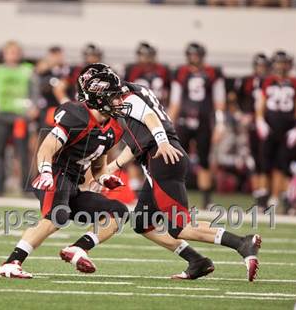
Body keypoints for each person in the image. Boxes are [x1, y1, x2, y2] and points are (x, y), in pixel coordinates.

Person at [77, 64, 262, 281]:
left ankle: (242, 243)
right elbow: (139, 142)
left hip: (163, 160)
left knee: (180, 226)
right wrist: (112, 167)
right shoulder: (133, 93)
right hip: (159, 159)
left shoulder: (128, 99)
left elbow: (150, 118)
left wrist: (162, 142)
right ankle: (197, 261)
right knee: (143, 223)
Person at [0, 69, 130, 278]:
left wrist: (104, 177)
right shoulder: (77, 116)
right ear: (99, 97)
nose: (119, 101)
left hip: (74, 183)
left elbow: (98, 165)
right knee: (57, 216)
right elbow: (46, 147)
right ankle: (11, 262)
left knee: (118, 211)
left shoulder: (114, 127)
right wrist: (46, 172)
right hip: (57, 174)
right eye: (114, 96)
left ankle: (77, 248)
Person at [167, 42, 226, 208]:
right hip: (183, 121)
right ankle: (176, 197)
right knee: (177, 160)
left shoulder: (213, 73)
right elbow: (175, 102)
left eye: (197, 55)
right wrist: (167, 124)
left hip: (204, 121)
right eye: (192, 55)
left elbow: (219, 100)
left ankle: (206, 200)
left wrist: (220, 124)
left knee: (204, 160)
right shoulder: (180, 72)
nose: (194, 58)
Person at [0, 40, 37, 195]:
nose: (13, 55)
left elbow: (35, 91)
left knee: (23, 154)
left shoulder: (27, 71)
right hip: (0, 115)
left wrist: (34, 107)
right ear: (4, 54)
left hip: (20, 117)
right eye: (10, 52)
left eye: (16, 52)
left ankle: (26, 188)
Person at [255, 50, 296, 212]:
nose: (281, 66)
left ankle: (280, 199)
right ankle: (262, 199)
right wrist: (260, 120)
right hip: (270, 126)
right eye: (279, 63)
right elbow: (261, 102)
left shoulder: (294, 82)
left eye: (284, 62)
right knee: (265, 164)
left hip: (287, 128)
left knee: (283, 165)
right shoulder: (267, 81)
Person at [234, 53, 270, 206]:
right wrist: (239, 114)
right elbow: (234, 99)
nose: (261, 69)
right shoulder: (246, 81)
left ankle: (264, 196)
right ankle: (258, 196)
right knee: (250, 161)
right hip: (249, 126)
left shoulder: (270, 81)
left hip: (266, 125)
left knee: (265, 161)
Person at [34, 46, 70, 141]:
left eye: (59, 55)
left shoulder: (67, 71)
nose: (57, 58)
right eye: (54, 55)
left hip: (61, 109)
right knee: (44, 138)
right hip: (48, 110)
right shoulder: (44, 72)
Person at [124, 42, 171, 107]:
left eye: (149, 55)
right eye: (142, 55)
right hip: (137, 106)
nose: (147, 59)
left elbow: (168, 91)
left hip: (159, 105)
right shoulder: (132, 70)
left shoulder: (162, 70)